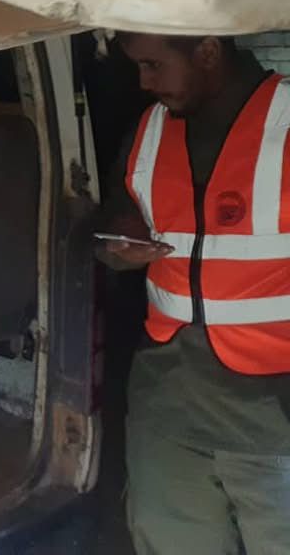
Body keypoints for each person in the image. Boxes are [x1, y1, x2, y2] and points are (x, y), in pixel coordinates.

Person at [97, 33, 290, 555]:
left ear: (207, 52)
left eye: (153, 65)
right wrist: (118, 239)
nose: (144, 82)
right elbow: (118, 208)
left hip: (275, 417)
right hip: (168, 407)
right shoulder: (151, 128)